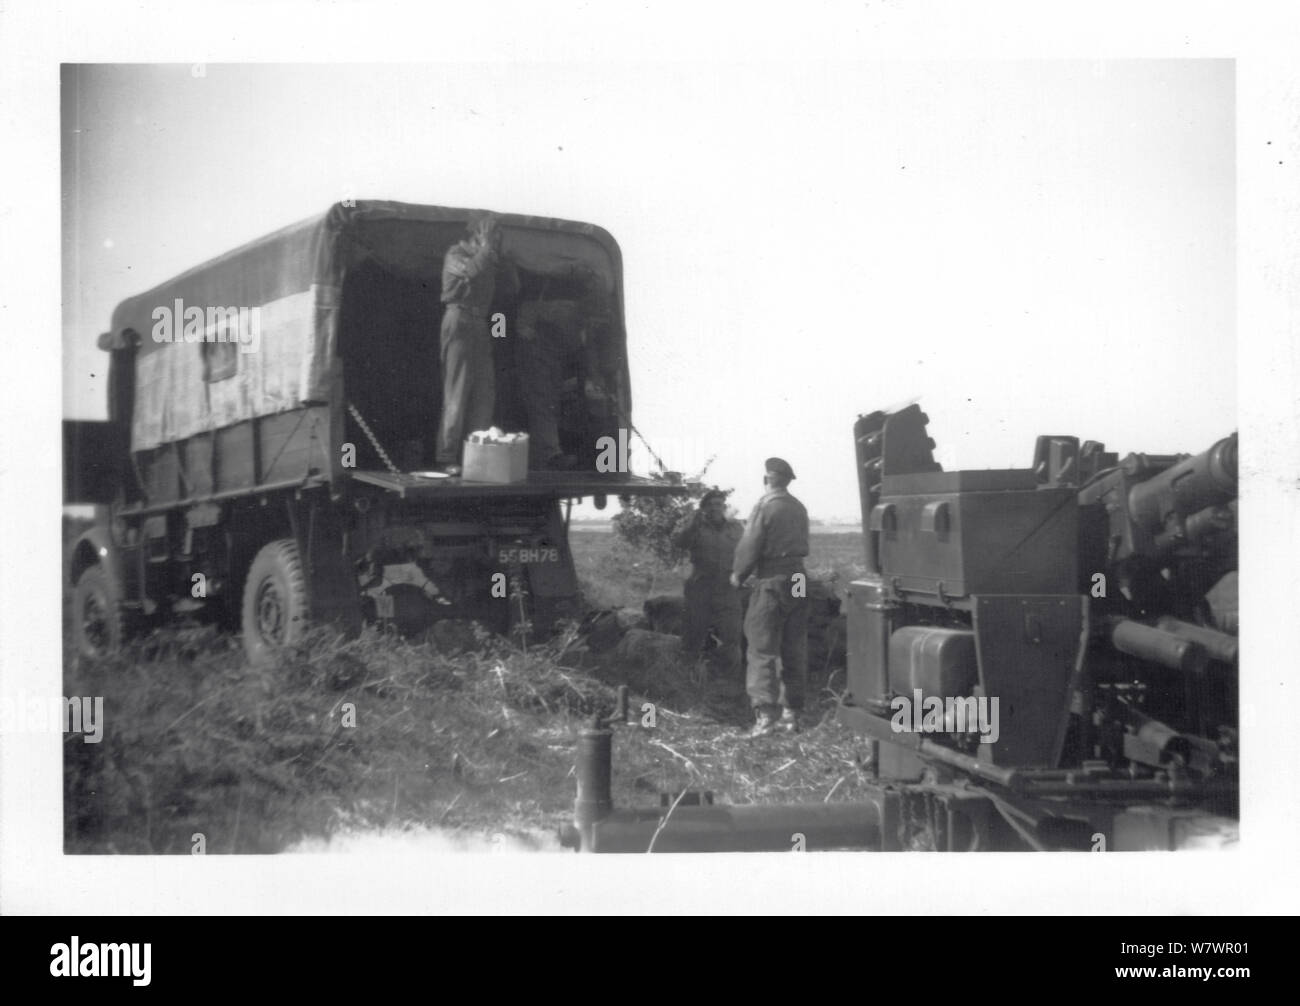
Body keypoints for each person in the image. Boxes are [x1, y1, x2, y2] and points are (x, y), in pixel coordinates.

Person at [730, 457, 810, 737]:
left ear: (767, 480)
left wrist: (738, 575)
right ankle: (792, 715)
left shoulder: (765, 506)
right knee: (794, 645)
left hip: (773, 579)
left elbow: (750, 545)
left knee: (761, 646)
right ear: (787, 481)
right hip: (798, 578)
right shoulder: (799, 507)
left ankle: (765, 718)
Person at [436, 214, 516, 474]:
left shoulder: (490, 260)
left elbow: (512, 288)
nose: (496, 242)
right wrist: (485, 251)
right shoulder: (455, 254)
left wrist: (504, 263)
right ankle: (447, 456)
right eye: (492, 235)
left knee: (484, 394)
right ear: (477, 235)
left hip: (480, 324)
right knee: (457, 393)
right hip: (458, 319)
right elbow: (469, 272)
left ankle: (476, 456)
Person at [670, 489, 744, 676]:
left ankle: (728, 677)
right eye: (710, 505)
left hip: (727, 587)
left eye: (718, 504)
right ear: (703, 508)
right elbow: (679, 543)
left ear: (724, 507)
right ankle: (689, 677)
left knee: (732, 633)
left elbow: (747, 551)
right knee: (694, 631)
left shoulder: (735, 528)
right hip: (701, 586)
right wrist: (692, 525)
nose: (714, 508)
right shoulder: (696, 527)